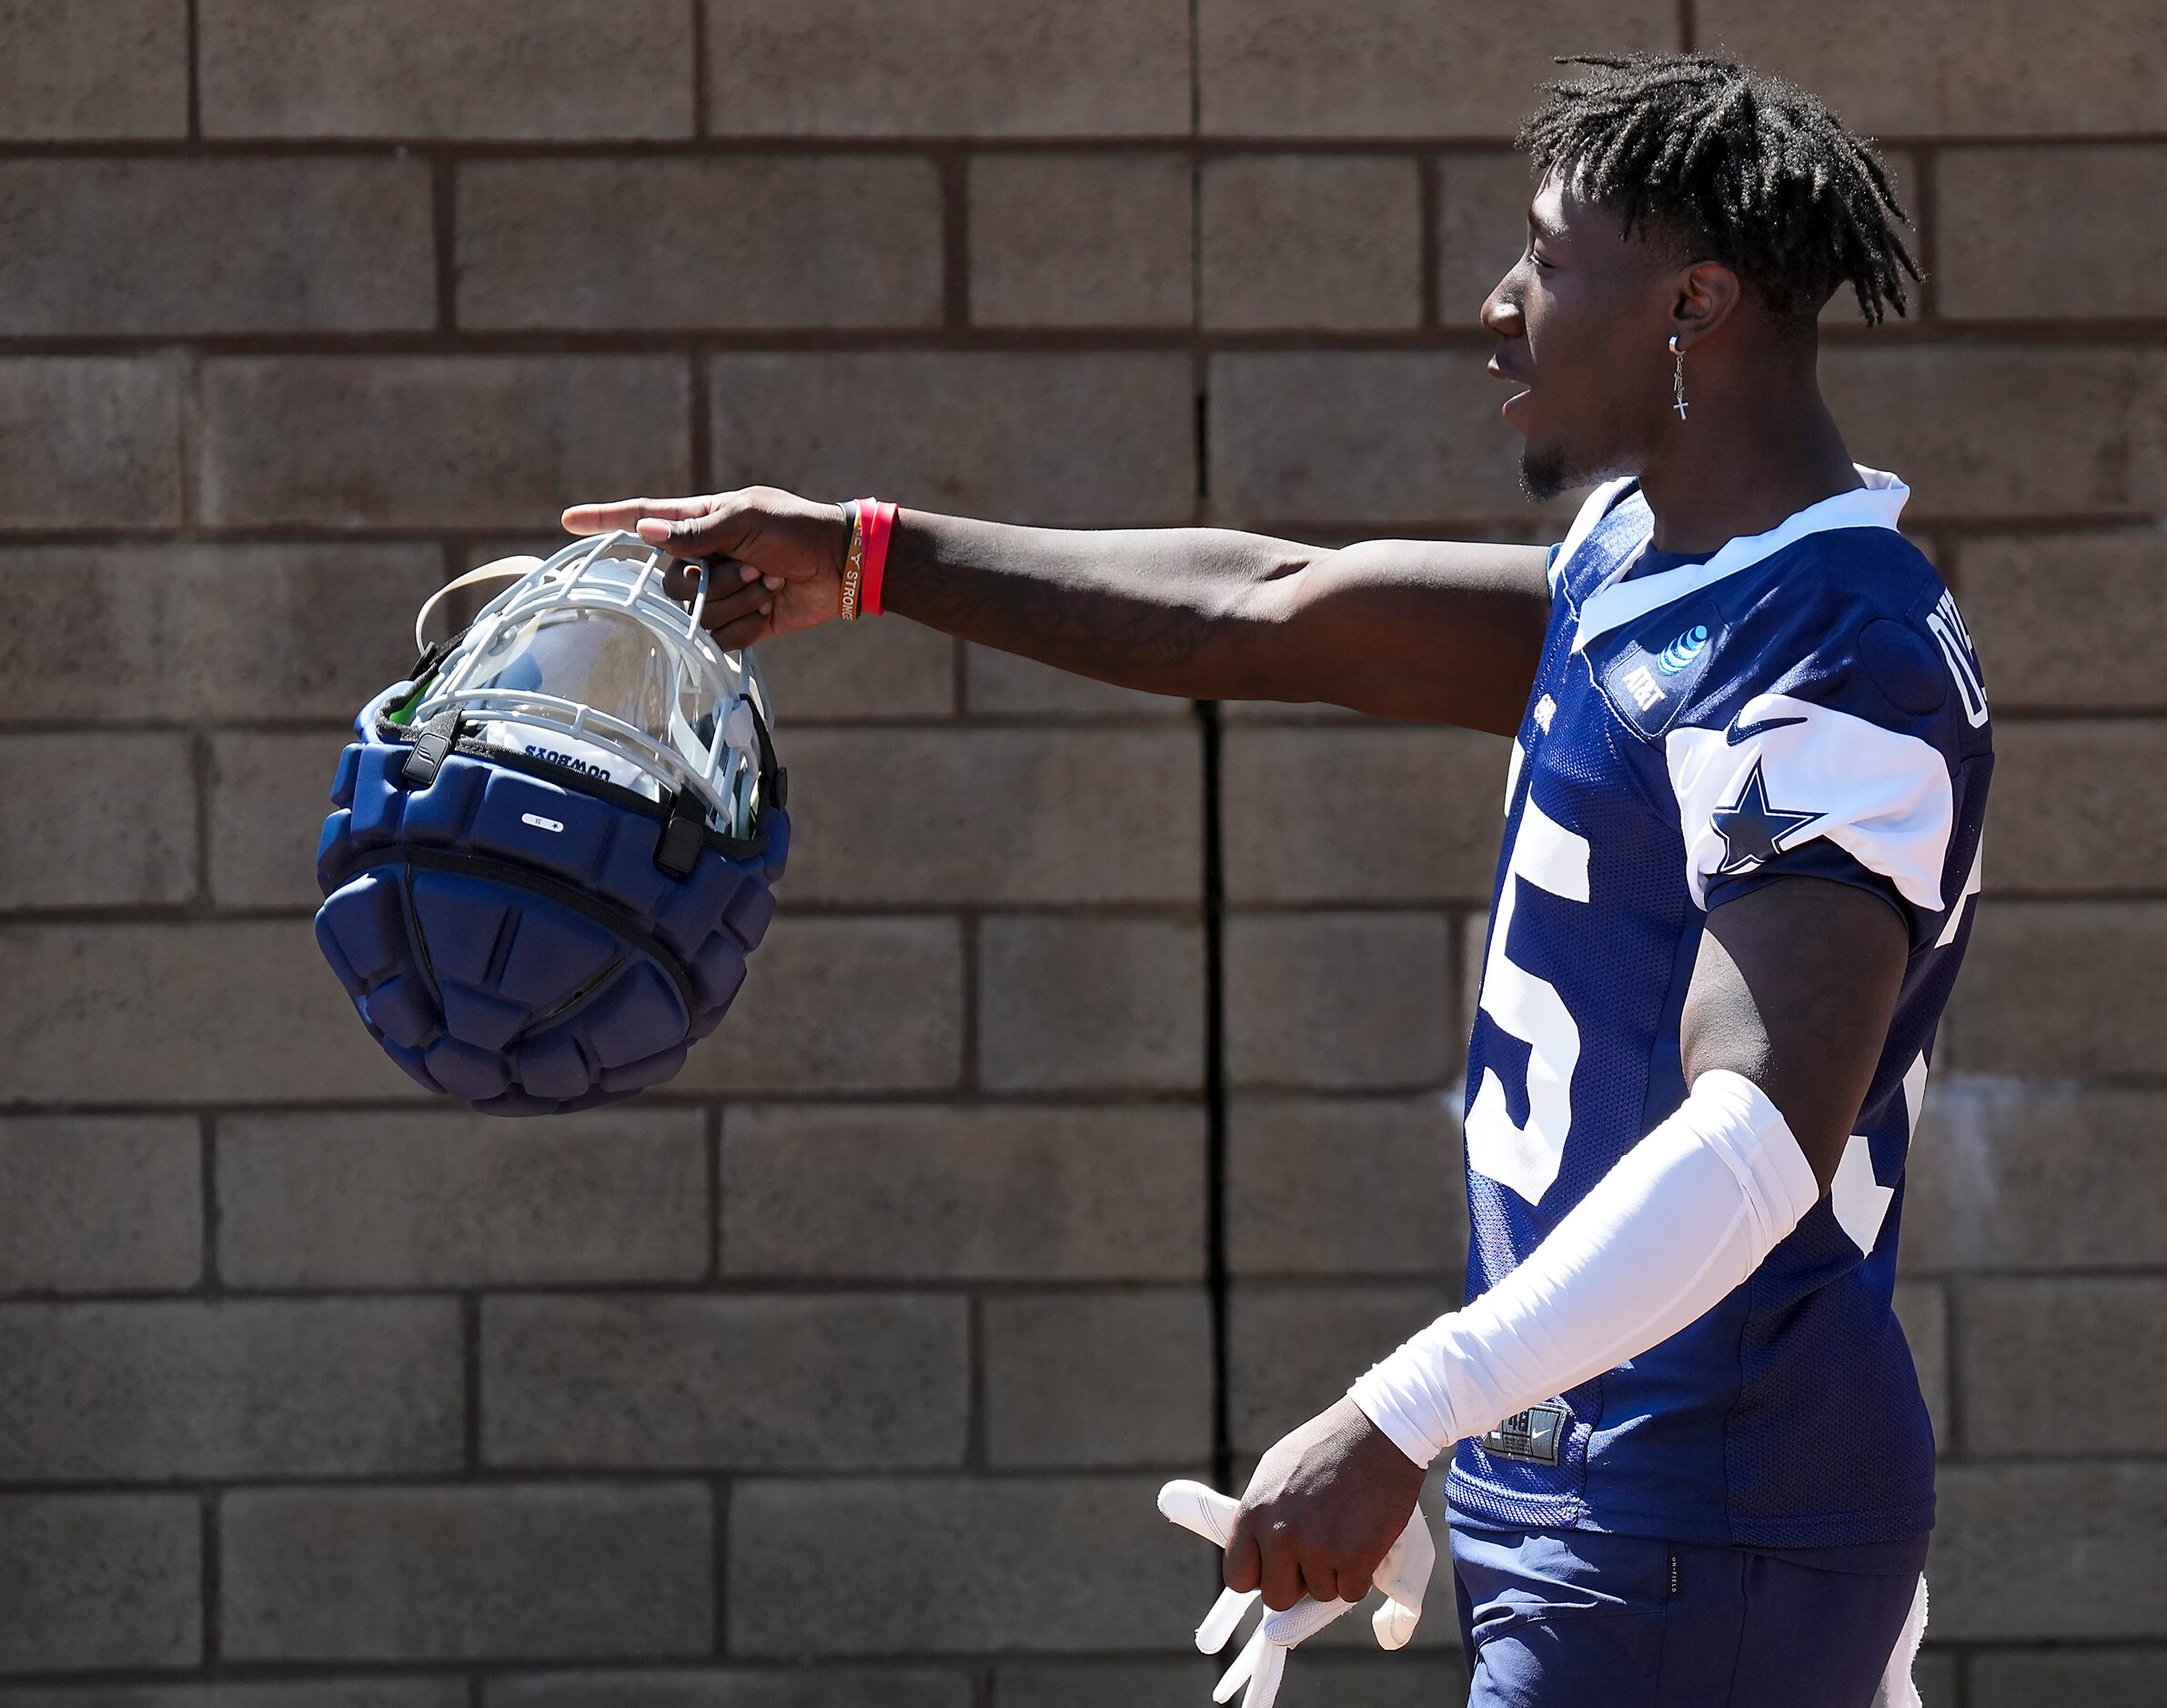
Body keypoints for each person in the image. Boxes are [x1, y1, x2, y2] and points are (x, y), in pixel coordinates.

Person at [565, 51, 1990, 1708]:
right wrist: (873, 555)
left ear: (1693, 302)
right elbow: (1274, 608)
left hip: (1704, 1524)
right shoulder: (1654, 558)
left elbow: (1752, 1144)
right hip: (1639, 1502)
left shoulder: (1832, 647)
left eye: (1543, 257)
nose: (1496, 303)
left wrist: (1403, 1415)